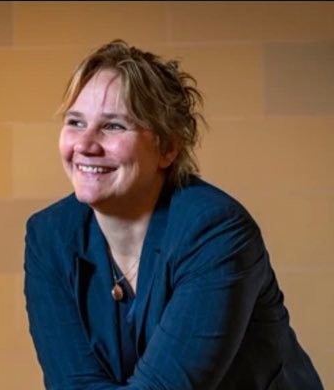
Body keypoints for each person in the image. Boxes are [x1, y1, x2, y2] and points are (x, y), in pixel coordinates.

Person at [24, 39, 324, 390]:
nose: (85, 145)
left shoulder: (216, 231)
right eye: (75, 122)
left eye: (113, 126)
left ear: (167, 147)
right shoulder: (49, 235)